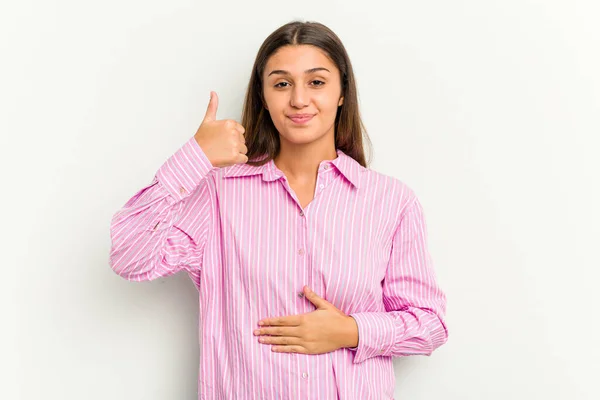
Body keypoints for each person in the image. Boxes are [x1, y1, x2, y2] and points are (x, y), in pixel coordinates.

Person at [109, 20, 448, 400]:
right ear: (263, 96)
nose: (299, 99)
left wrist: (350, 331)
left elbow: (430, 325)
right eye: (282, 83)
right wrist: (195, 157)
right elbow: (129, 257)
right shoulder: (218, 194)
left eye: (316, 82)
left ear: (342, 93)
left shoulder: (390, 201)